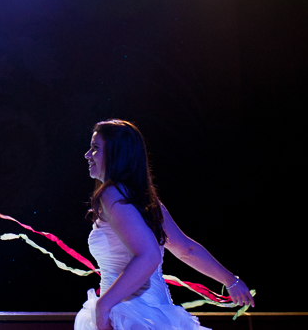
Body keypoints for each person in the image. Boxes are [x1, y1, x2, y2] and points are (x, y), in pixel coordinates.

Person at [74, 119, 254, 330]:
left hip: (130, 316)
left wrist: (103, 306)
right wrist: (230, 280)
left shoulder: (110, 194)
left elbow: (149, 255)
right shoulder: (145, 201)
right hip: (155, 314)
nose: (87, 155)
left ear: (116, 153)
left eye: (95, 148)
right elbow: (185, 249)